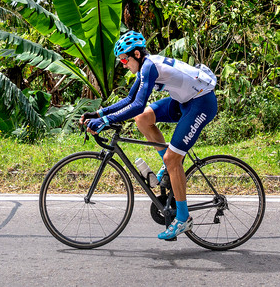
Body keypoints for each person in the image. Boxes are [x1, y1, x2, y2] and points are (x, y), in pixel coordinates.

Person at [82, 30, 218, 241]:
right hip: (184, 100)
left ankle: (183, 219)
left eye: (125, 59)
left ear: (136, 54)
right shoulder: (146, 67)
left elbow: (137, 104)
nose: (124, 64)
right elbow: (129, 99)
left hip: (201, 103)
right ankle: (167, 170)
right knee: (143, 119)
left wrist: (106, 122)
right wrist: (98, 113)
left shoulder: (149, 66)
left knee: (173, 159)